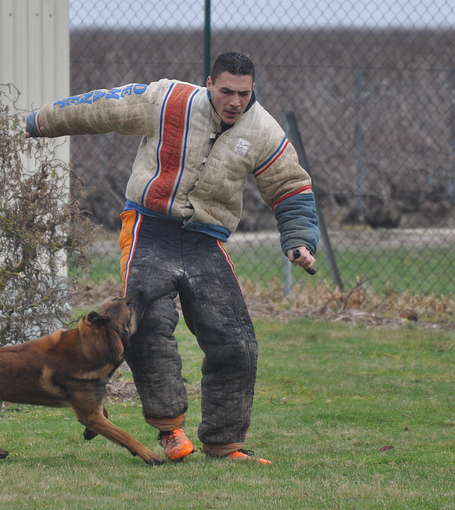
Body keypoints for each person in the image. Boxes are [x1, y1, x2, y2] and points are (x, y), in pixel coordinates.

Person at [25, 52, 319, 464]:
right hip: (149, 228)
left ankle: (224, 443)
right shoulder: (168, 101)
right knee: (145, 328)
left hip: (206, 240)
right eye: (226, 91)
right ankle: (170, 431)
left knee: (236, 343)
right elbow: (103, 108)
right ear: (209, 83)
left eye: (244, 93)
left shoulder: (264, 130)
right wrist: (39, 122)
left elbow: (290, 186)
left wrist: (299, 239)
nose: (235, 101)